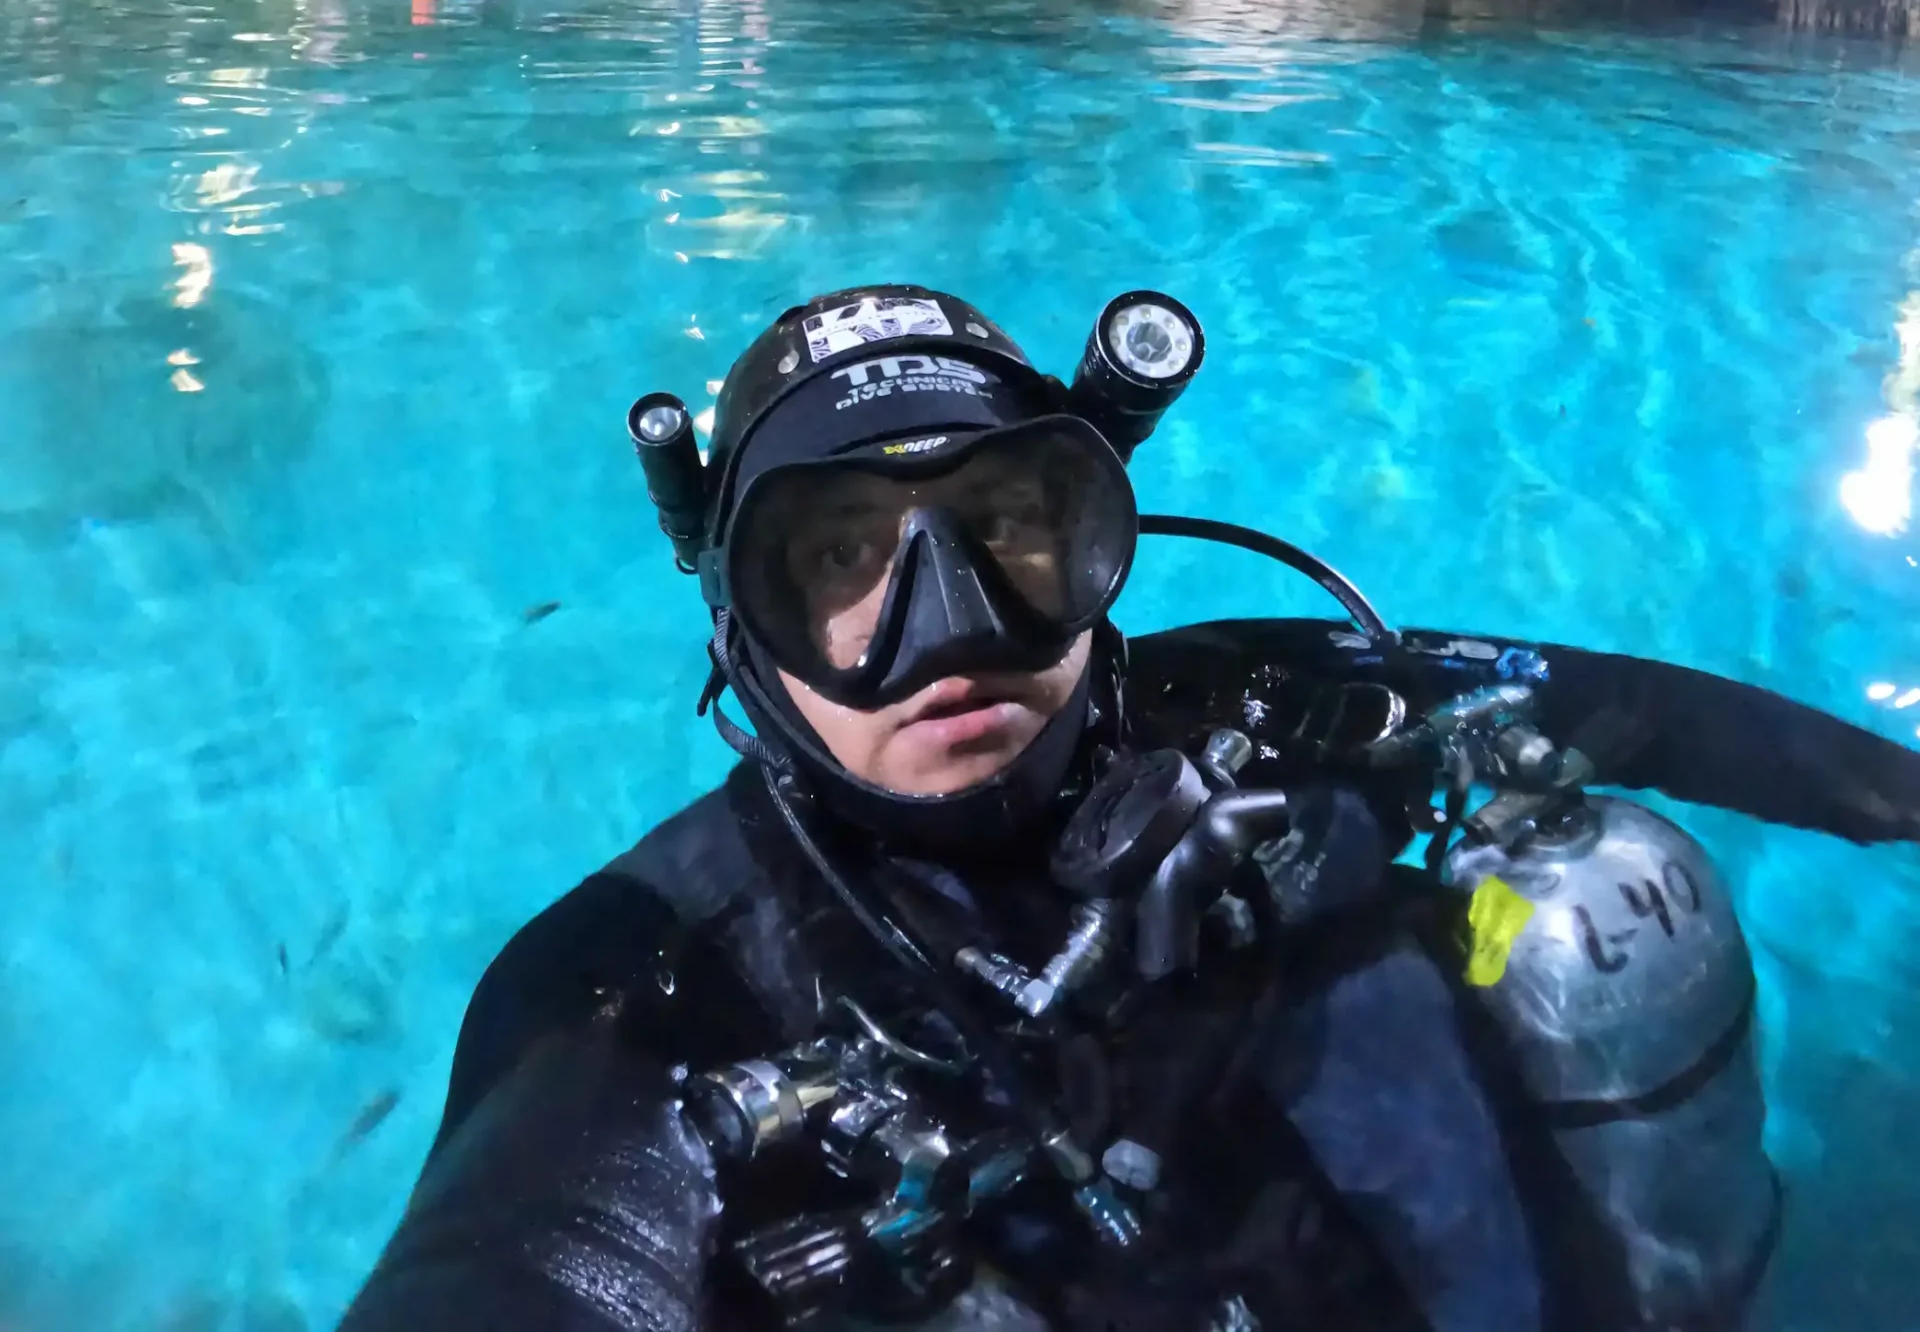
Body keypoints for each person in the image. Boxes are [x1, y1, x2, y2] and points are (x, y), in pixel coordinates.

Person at [340, 283, 1920, 1332]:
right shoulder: (648, 986)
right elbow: (525, 1259)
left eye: (1011, 532)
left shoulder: (1250, 703)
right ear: (741, 625)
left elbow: (1635, 713)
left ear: (1098, 543)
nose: (948, 632)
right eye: (840, 563)